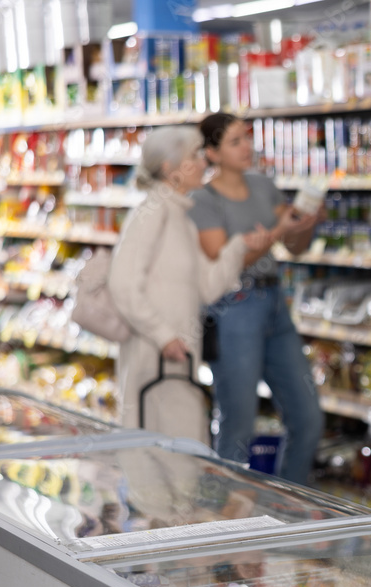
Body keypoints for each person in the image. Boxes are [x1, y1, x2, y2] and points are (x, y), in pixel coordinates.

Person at [188, 113, 325, 485]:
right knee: (238, 425)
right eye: (234, 141)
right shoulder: (202, 200)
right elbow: (221, 263)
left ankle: (288, 508)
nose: (246, 146)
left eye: (246, 138)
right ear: (212, 153)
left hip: (273, 303)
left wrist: (306, 223)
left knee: (308, 418)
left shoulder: (262, 185)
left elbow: (293, 246)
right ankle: (226, 520)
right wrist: (281, 229)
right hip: (232, 310)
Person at [109, 127, 270, 443]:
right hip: (154, 360)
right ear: (170, 169)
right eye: (194, 157)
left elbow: (207, 287)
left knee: (180, 452)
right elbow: (123, 283)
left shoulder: (179, 217)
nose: (203, 163)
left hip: (177, 360)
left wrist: (238, 247)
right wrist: (163, 335)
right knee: (158, 453)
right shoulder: (152, 213)